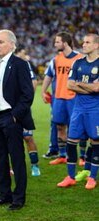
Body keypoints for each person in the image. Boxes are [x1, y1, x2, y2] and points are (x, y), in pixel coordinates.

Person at [0, 29, 35, 211]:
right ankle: (4, 194)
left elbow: (27, 94)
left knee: (16, 158)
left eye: (0, 42)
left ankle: (19, 198)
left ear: (12, 44)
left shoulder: (20, 64)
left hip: (10, 117)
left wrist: (15, 115)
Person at [57, 33, 99, 189]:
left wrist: (80, 85)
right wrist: (89, 87)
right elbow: (69, 85)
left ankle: (92, 177)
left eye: (88, 42)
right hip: (78, 108)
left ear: (96, 45)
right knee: (71, 141)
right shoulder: (77, 63)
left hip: (95, 109)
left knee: (96, 142)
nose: (84, 44)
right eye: (83, 42)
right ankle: (70, 176)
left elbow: (97, 88)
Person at [41, 32, 83, 165]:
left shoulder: (79, 58)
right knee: (60, 126)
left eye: (57, 42)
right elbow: (49, 75)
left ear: (65, 43)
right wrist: (43, 91)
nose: (55, 44)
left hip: (74, 98)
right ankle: (62, 155)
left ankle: (82, 156)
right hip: (59, 98)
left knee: (78, 127)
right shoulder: (56, 59)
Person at [15, 46, 40, 176]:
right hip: (9, 107)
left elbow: (34, 82)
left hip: (23, 107)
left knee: (28, 136)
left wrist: (27, 100)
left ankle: (35, 165)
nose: (26, 57)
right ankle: (16, 167)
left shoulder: (26, 65)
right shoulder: (8, 64)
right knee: (12, 139)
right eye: (23, 54)